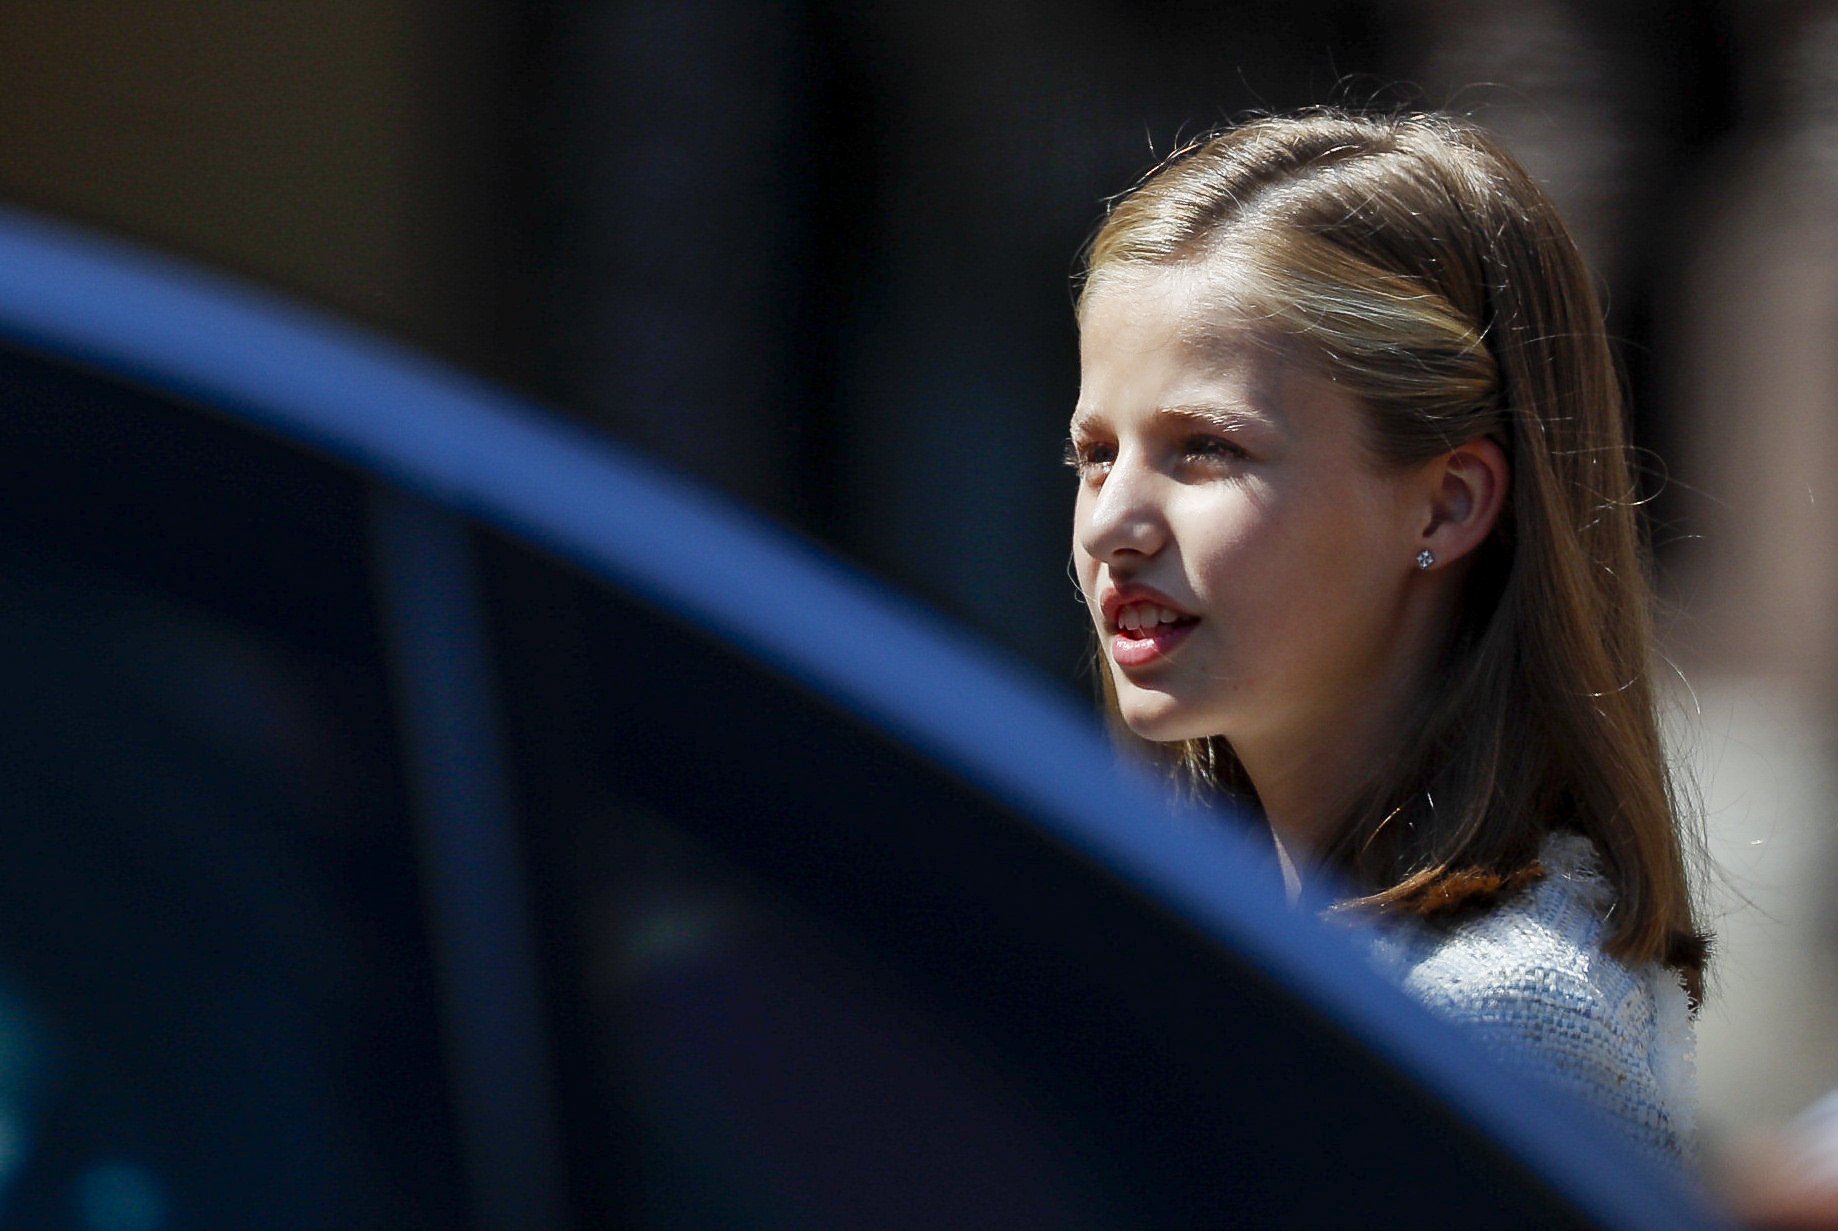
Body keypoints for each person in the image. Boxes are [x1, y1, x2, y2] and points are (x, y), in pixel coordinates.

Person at [1067, 110, 1707, 1171]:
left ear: (1445, 505)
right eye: (1094, 454)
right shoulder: (1219, 949)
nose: (1109, 526)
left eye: (1204, 450)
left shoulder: (1498, 1021)